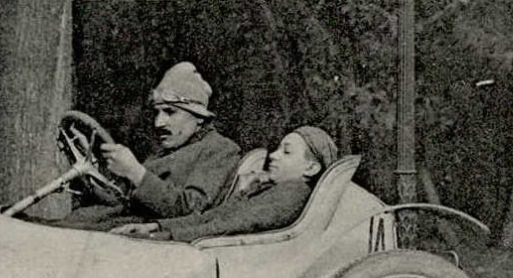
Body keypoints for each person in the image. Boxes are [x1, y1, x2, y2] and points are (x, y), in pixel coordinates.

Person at [55, 62, 241, 229]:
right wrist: (93, 174)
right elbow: (121, 199)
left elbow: (191, 212)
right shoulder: (166, 150)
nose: (159, 123)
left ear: (199, 116)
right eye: (157, 112)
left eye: (170, 112)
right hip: (111, 224)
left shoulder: (220, 150)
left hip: (142, 238)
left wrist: (136, 172)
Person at [114, 126, 338, 243]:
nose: (274, 155)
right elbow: (214, 217)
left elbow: (230, 225)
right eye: (278, 148)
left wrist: (165, 237)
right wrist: (156, 227)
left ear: (311, 168)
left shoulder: (294, 192)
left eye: (286, 152)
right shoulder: (274, 190)